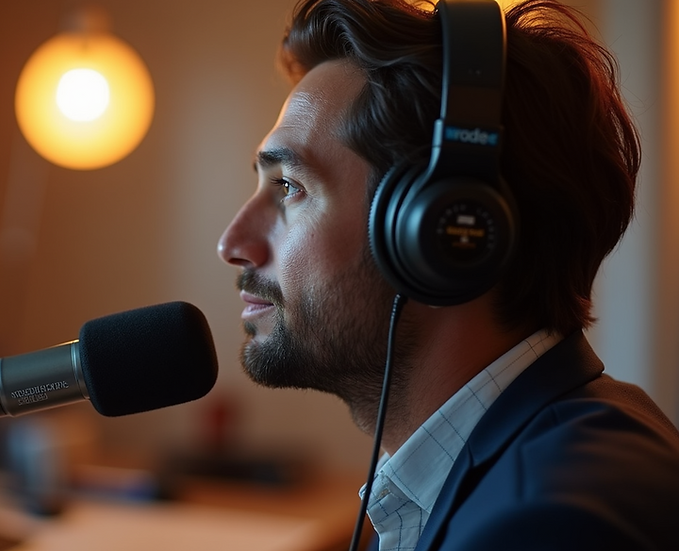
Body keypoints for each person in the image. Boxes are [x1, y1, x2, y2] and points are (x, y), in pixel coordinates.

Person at [216, 0, 679, 550]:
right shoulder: (544, 455)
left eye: (289, 187)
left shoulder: (550, 523)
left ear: (437, 231)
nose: (232, 244)